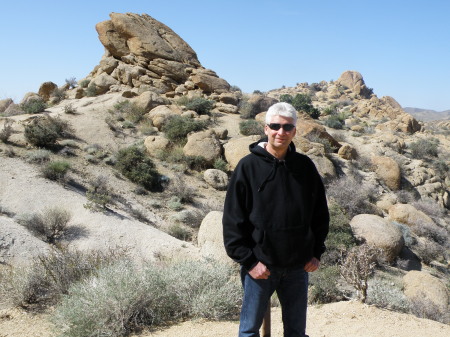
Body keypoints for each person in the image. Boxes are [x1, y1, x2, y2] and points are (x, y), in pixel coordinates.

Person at [222, 102, 329, 337]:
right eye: (276, 126)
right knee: (249, 331)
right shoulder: (248, 167)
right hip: (261, 266)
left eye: (287, 127)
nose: (281, 132)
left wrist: (316, 252)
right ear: (266, 128)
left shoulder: (305, 167)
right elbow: (233, 219)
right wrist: (249, 261)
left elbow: (320, 213)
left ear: (294, 131)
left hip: (298, 267)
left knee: (296, 332)